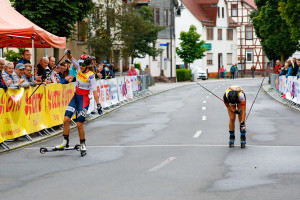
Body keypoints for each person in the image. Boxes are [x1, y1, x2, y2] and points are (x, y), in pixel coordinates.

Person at [54, 50, 103, 155]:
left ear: (88, 65)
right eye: (80, 64)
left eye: (83, 65)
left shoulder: (91, 76)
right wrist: (68, 52)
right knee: (66, 120)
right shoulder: (78, 67)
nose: (80, 66)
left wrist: (98, 105)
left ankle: (82, 143)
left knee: (79, 124)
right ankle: (65, 141)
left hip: (84, 100)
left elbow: (95, 92)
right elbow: (70, 57)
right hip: (75, 98)